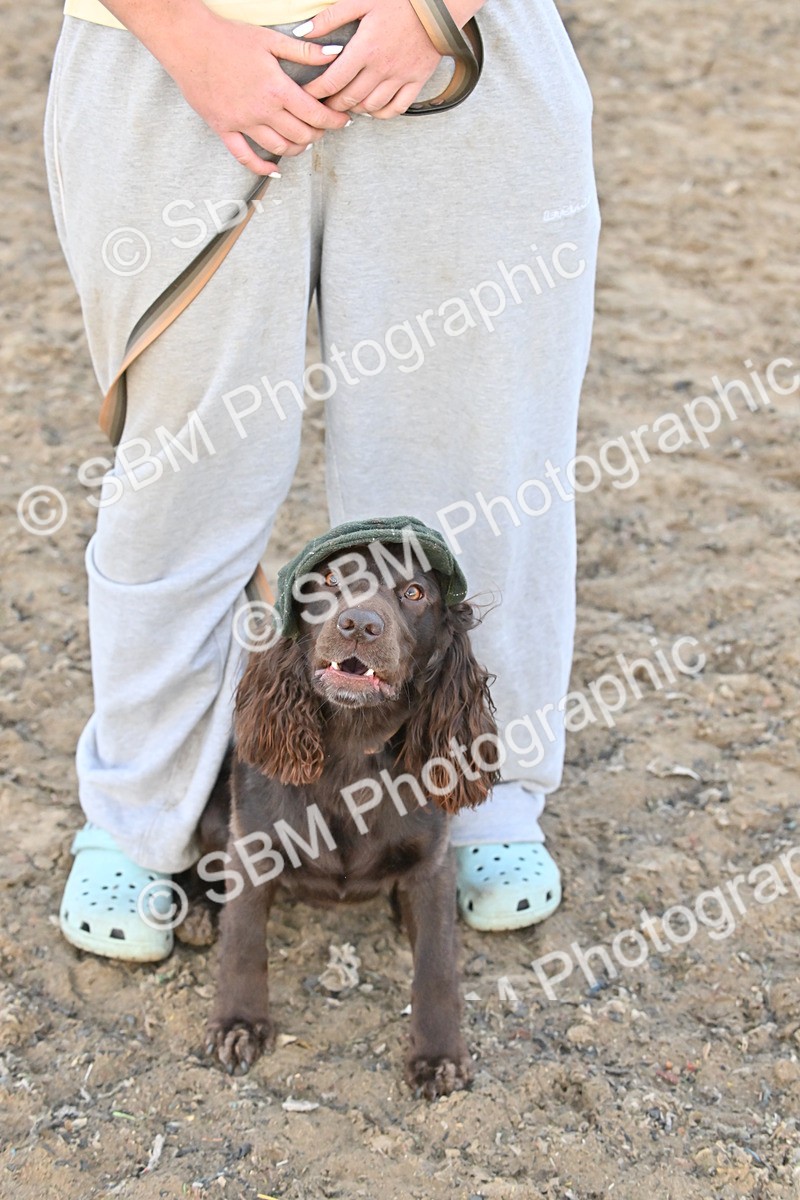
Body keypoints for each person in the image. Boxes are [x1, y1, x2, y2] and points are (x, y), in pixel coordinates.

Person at [45, 0, 599, 960]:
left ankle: (478, 792)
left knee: (478, 454)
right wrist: (185, 34)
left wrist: (435, 11)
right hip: (160, 56)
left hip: (458, 53)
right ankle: (142, 811)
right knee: (181, 466)